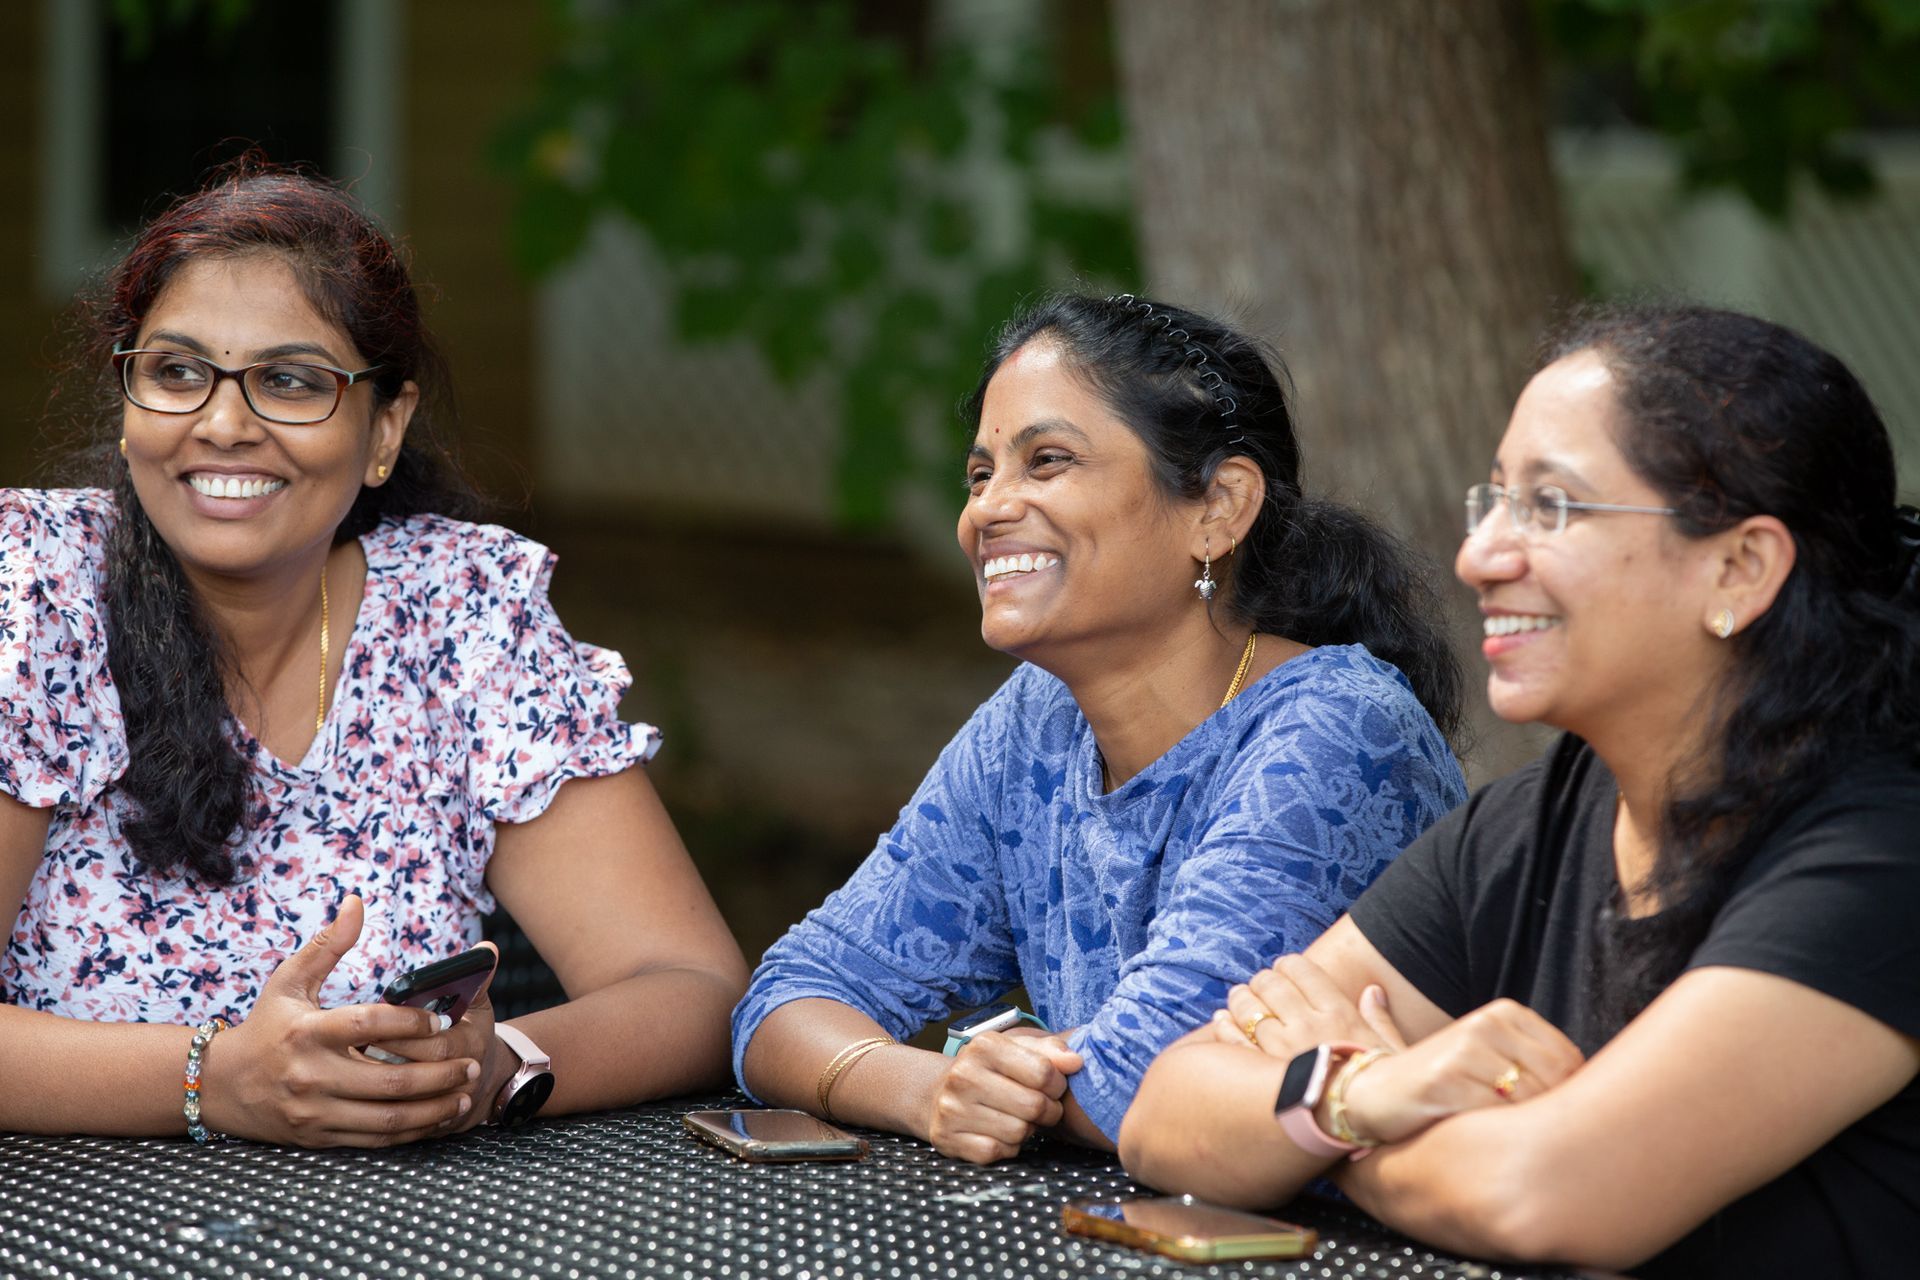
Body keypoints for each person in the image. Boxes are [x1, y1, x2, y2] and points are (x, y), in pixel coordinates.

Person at [1120, 303, 1920, 1278]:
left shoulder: (1879, 864)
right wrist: (1363, 1088)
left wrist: (1322, 1137)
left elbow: (1541, 1193)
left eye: (1552, 507)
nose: (1479, 556)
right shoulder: (1527, 823)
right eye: (1492, 501)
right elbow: (1168, 1109)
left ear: (1739, 567)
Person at [0, 161, 748, 1147]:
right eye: (176, 371)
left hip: (398, 1228)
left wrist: (495, 1067)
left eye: (291, 381)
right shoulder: (38, 592)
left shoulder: (456, 615)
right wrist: (215, 1079)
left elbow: (689, 984)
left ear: (383, 429)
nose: (224, 423)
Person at [732, 292, 1468, 1163]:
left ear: (1219, 509)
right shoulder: (1036, 724)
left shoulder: (1340, 729)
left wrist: (989, 1078)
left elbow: (1151, 1087)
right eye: (979, 474)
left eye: (1047, 461)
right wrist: (930, 1088)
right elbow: (785, 998)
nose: (988, 509)